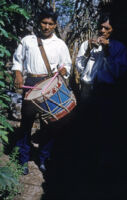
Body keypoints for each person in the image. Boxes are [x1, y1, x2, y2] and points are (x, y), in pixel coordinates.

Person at [12, 7, 72, 175]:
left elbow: (67, 65)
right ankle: (23, 159)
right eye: (44, 23)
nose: (46, 27)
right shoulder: (28, 40)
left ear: (55, 25)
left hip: (50, 84)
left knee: (50, 125)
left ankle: (44, 158)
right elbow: (18, 60)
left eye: (50, 24)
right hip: (31, 82)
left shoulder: (60, 44)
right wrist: (18, 74)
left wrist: (64, 71)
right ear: (39, 23)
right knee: (26, 124)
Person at [75, 12, 127, 190]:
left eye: (107, 28)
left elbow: (117, 73)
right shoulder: (89, 44)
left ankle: (101, 170)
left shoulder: (119, 47)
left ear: (113, 30)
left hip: (106, 93)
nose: (102, 31)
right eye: (101, 27)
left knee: (104, 130)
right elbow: (80, 66)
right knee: (86, 127)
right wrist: (89, 50)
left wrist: (106, 51)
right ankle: (83, 167)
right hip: (88, 91)